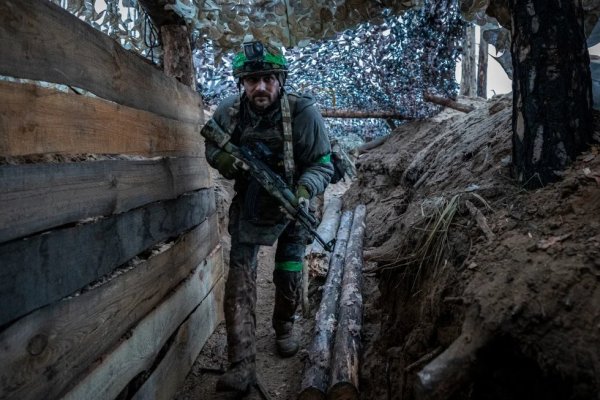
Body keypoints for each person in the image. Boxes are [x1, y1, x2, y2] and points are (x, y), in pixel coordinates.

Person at [201, 40, 334, 393]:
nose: (260, 86)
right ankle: (240, 362)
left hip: (294, 201)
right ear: (241, 83)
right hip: (251, 202)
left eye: (268, 79)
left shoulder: (304, 112)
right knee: (240, 277)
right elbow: (212, 145)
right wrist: (224, 160)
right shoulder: (230, 112)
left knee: (288, 270)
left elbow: (322, 163)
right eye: (251, 80)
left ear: (281, 79)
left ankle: (284, 325)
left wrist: (304, 192)